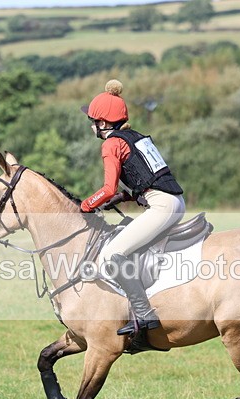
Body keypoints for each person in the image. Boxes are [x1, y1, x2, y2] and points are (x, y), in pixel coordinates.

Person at [80, 79, 185, 336]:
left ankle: (145, 315)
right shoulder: (135, 137)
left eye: (93, 121)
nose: (91, 125)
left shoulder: (111, 144)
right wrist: (125, 198)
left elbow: (107, 189)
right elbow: (147, 178)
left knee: (112, 254)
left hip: (162, 205)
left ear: (103, 123)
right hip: (172, 201)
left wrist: (84, 206)